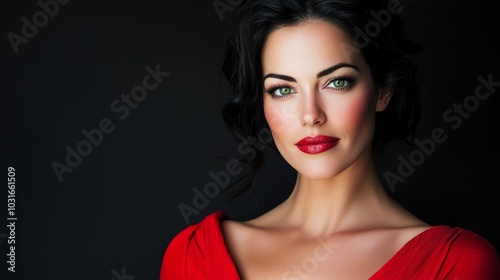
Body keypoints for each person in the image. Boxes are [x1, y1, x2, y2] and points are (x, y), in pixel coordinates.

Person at [159, 0, 500, 279]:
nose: (311, 114)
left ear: (383, 91)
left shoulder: (456, 264)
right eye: (282, 89)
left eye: (337, 82)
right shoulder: (192, 257)